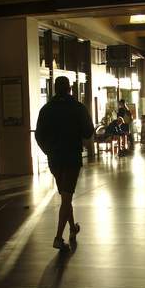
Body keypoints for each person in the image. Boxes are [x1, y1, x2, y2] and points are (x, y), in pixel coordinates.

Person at [35, 76, 94, 250]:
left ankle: (73, 228)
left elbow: (38, 135)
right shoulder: (78, 108)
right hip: (71, 158)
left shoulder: (46, 109)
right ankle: (58, 238)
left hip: (54, 159)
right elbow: (88, 132)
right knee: (67, 197)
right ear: (69, 88)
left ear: (54, 89)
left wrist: (48, 150)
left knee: (65, 196)